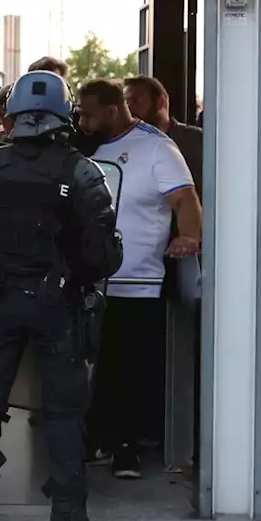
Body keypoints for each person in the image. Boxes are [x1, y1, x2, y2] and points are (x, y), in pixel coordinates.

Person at [0, 70, 122, 521]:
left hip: (0, 301)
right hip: (57, 305)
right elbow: (104, 255)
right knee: (65, 413)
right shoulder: (82, 171)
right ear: (63, 116)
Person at [77, 79, 201, 479]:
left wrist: (189, 237)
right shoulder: (89, 148)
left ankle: (126, 448)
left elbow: (184, 198)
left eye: (88, 113)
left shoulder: (157, 147)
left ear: (111, 112)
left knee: (128, 367)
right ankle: (97, 440)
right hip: (92, 280)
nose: (82, 119)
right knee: (96, 366)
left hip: (138, 279)